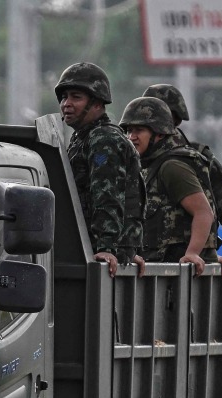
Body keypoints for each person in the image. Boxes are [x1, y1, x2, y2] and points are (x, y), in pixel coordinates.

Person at [143, 83, 222, 266]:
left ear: (175, 119)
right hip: (152, 258)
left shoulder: (196, 158)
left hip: (185, 259)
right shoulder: (136, 154)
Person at [54, 62, 144, 278]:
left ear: (96, 103)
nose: (66, 104)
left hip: (97, 254)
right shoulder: (84, 137)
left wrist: (108, 248)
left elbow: (107, 195)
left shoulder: (104, 138)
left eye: (76, 97)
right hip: (86, 248)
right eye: (64, 97)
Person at [120, 96, 221, 272]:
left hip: (176, 274)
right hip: (163, 269)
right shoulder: (150, 163)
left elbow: (203, 211)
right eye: (129, 130)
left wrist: (193, 253)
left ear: (159, 133)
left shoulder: (171, 166)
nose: (132, 137)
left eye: (139, 130)